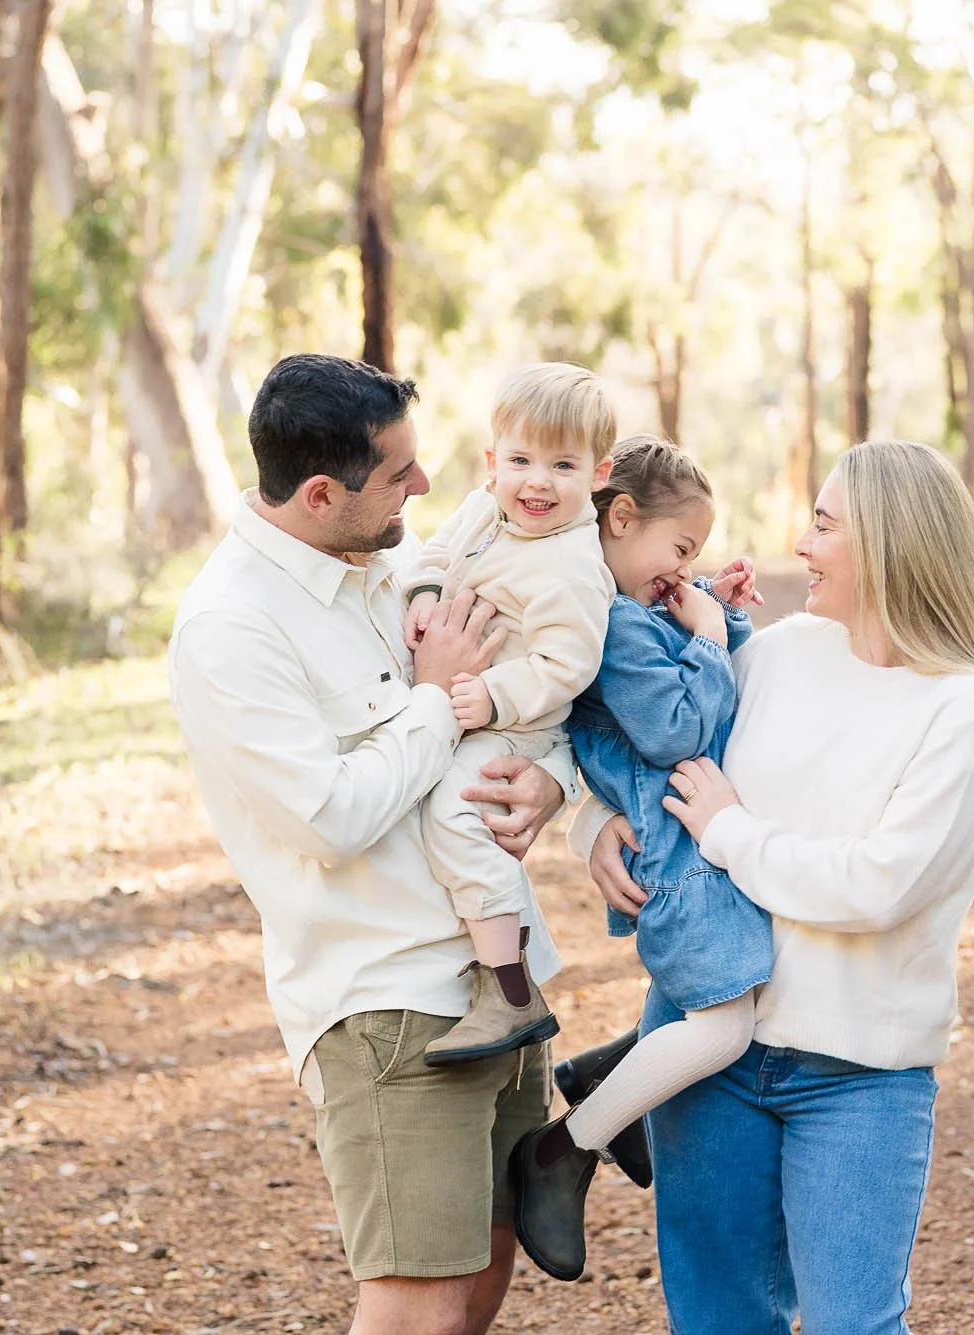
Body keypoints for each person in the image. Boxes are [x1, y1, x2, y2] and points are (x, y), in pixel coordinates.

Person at [572, 439, 974, 1335]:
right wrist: (595, 828)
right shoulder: (779, 653)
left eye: (823, 526)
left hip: (858, 1071)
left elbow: (878, 885)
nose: (802, 545)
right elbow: (653, 748)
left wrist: (732, 830)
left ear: (890, 545)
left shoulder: (964, 707)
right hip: (711, 1048)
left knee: (856, 1324)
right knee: (718, 1320)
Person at [168, 353, 574, 1335]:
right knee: (415, 1290)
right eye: (398, 473)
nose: (424, 487)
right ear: (318, 493)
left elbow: (521, 685)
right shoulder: (232, 628)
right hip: (383, 998)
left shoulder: (394, 557)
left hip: (495, 976)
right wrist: (433, 699)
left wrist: (548, 784)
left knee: (488, 1246)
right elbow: (332, 816)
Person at [506, 436, 772, 1282]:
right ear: (621, 518)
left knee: (743, 998)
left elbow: (686, 675)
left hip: (691, 838)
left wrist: (716, 613)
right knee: (726, 1026)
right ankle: (560, 1150)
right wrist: (703, 638)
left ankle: (612, 1072)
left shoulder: (633, 608)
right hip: (677, 847)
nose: (683, 570)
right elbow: (674, 727)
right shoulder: (611, 620)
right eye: (680, 551)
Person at [401, 363, 619, 1066]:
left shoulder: (572, 565)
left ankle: (507, 988)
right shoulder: (481, 509)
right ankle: (490, 964)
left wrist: (494, 695)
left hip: (515, 722)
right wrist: (428, 592)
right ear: (493, 460)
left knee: (456, 815)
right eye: (521, 460)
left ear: (597, 472)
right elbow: (435, 551)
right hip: (475, 703)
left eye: (562, 464)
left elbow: (567, 664)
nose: (538, 482)